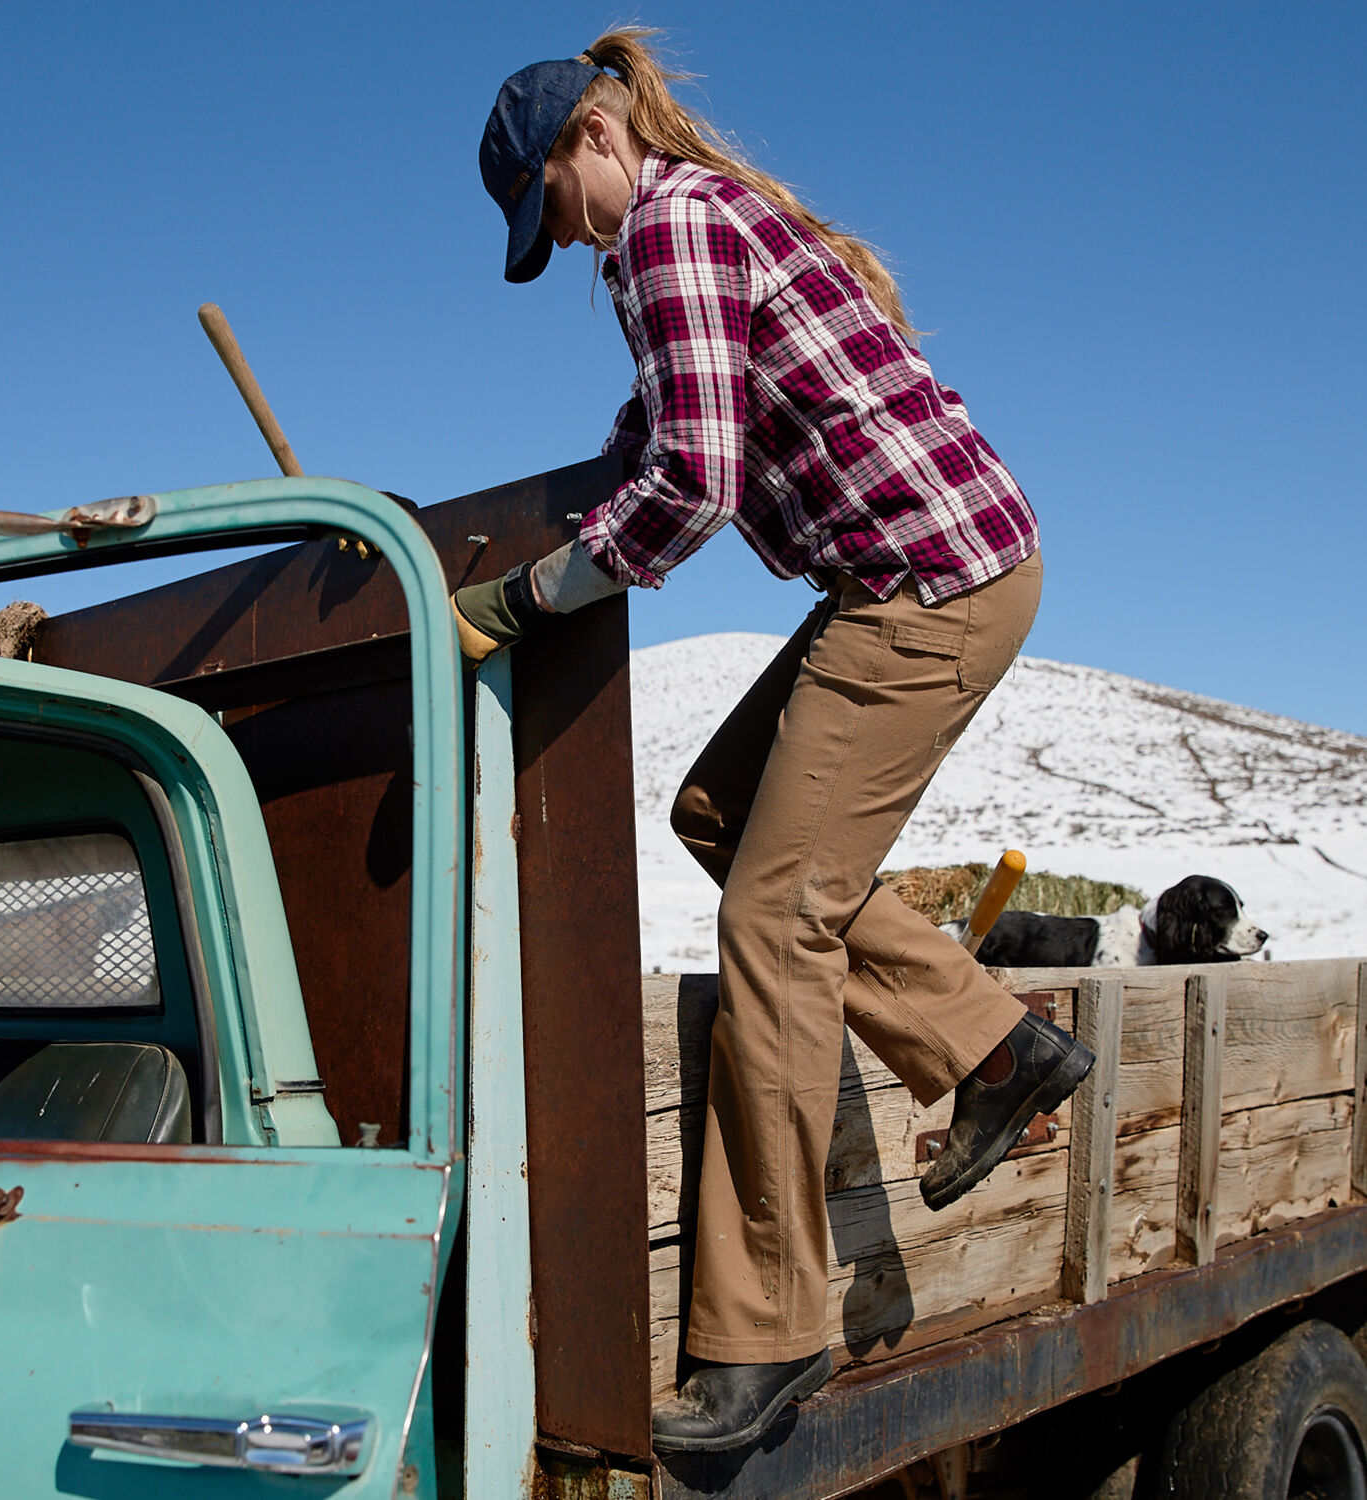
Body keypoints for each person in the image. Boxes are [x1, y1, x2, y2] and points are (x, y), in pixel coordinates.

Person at [460, 30, 1095, 1454]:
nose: (562, 239)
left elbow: (696, 475)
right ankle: (995, 1050)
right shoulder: (694, 223)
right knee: (719, 813)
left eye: (550, 206)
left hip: (929, 584)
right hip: (933, 568)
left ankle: (767, 1339)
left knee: (773, 917)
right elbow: (658, 427)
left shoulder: (667, 226)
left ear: (593, 141)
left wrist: (527, 592)